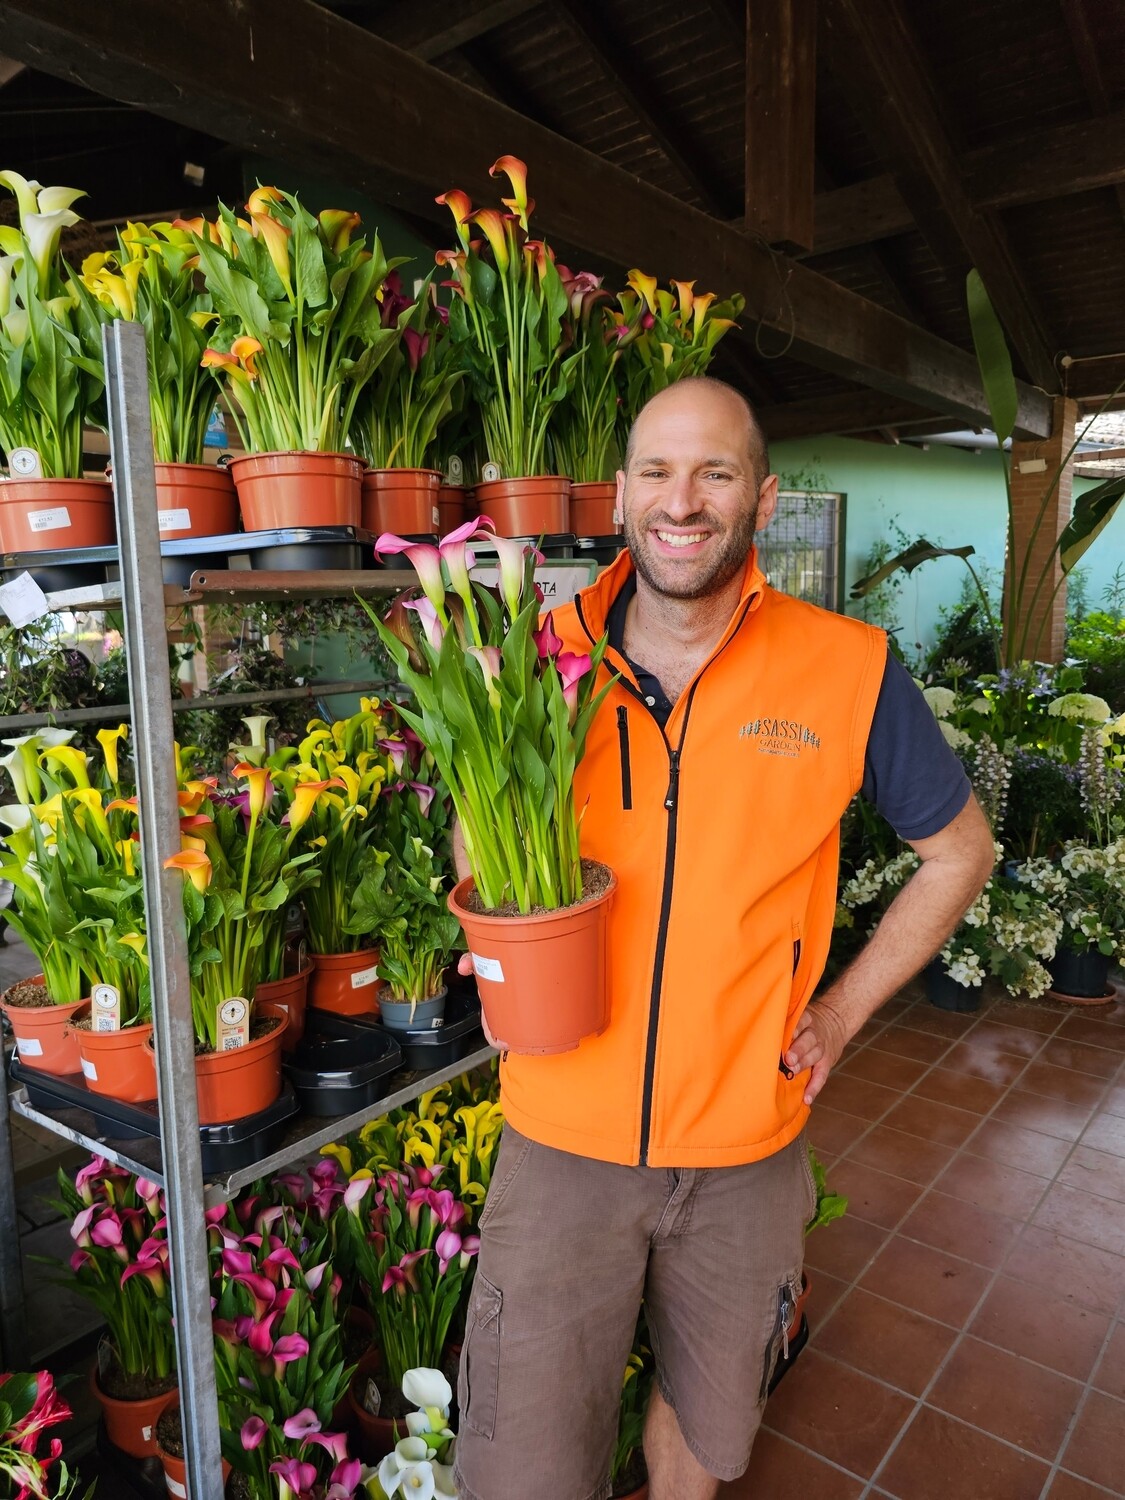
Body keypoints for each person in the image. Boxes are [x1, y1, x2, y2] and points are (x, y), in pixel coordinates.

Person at [453, 377, 995, 1500]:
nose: (681, 501)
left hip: (746, 1144)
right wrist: (496, 927)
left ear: (763, 495)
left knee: (707, 1431)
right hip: (561, 1136)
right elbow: (474, 817)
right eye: (657, 471)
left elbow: (960, 852)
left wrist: (841, 1010)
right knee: (525, 1464)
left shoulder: (846, 667)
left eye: (715, 472)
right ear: (620, 493)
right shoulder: (539, 656)